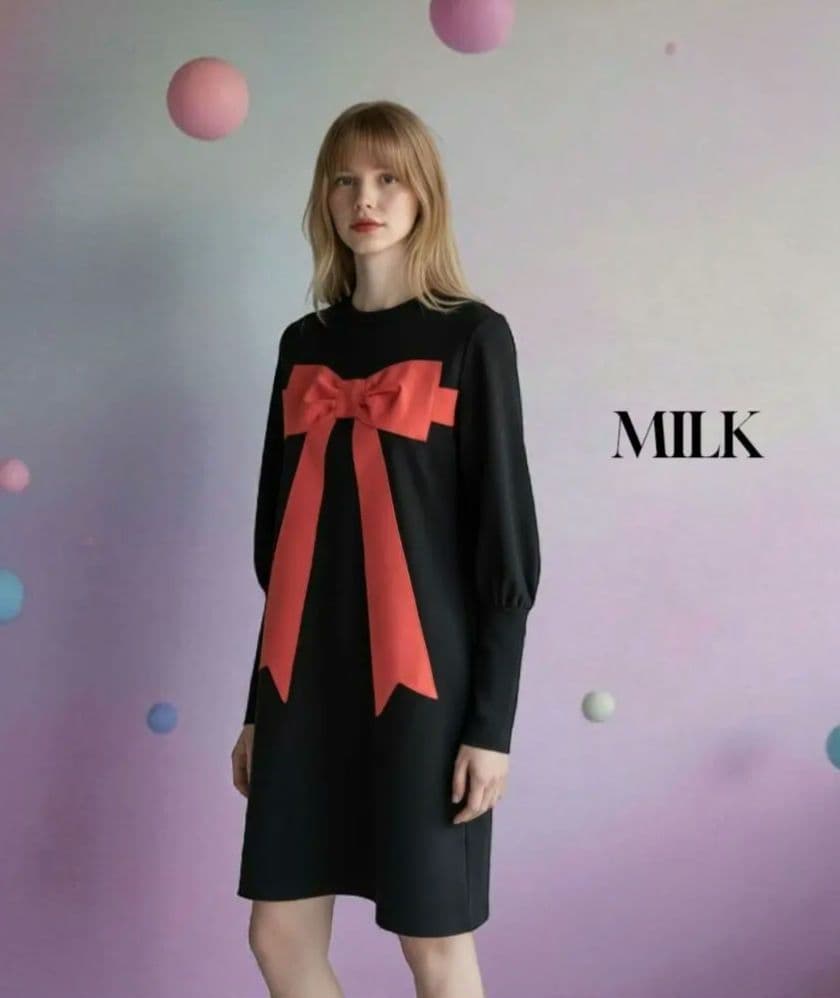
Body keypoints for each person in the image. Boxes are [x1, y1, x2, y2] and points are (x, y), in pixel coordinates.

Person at [230, 99, 541, 998]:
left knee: (432, 944)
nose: (364, 198)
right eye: (345, 180)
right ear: (324, 199)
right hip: (302, 685)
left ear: (423, 195)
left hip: (424, 690)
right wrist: (257, 708)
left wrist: (490, 727)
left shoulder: (472, 337)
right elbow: (282, 550)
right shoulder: (303, 347)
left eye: (387, 178)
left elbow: (504, 549)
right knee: (277, 935)